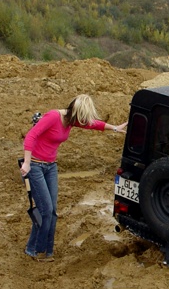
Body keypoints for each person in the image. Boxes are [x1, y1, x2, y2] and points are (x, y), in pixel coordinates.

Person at [20, 94, 127, 262]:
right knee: (45, 210)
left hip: (50, 166)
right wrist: (26, 163)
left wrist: (114, 128)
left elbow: (93, 125)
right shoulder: (53, 116)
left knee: (52, 211)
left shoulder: (71, 120)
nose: (83, 122)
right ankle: (36, 250)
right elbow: (31, 136)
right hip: (34, 166)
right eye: (82, 118)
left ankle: (45, 250)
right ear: (76, 112)